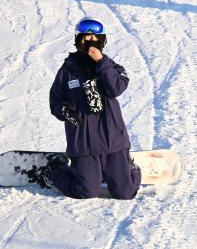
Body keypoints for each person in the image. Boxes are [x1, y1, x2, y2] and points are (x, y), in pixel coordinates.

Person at [47, 17, 141, 199]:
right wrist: (65, 110)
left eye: (95, 38)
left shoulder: (111, 66)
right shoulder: (67, 70)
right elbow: (55, 101)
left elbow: (116, 88)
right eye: (86, 38)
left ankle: (129, 167)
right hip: (84, 144)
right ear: (78, 40)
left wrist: (101, 63)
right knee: (87, 191)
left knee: (125, 193)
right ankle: (54, 169)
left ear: (102, 41)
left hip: (113, 141)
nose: (91, 42)